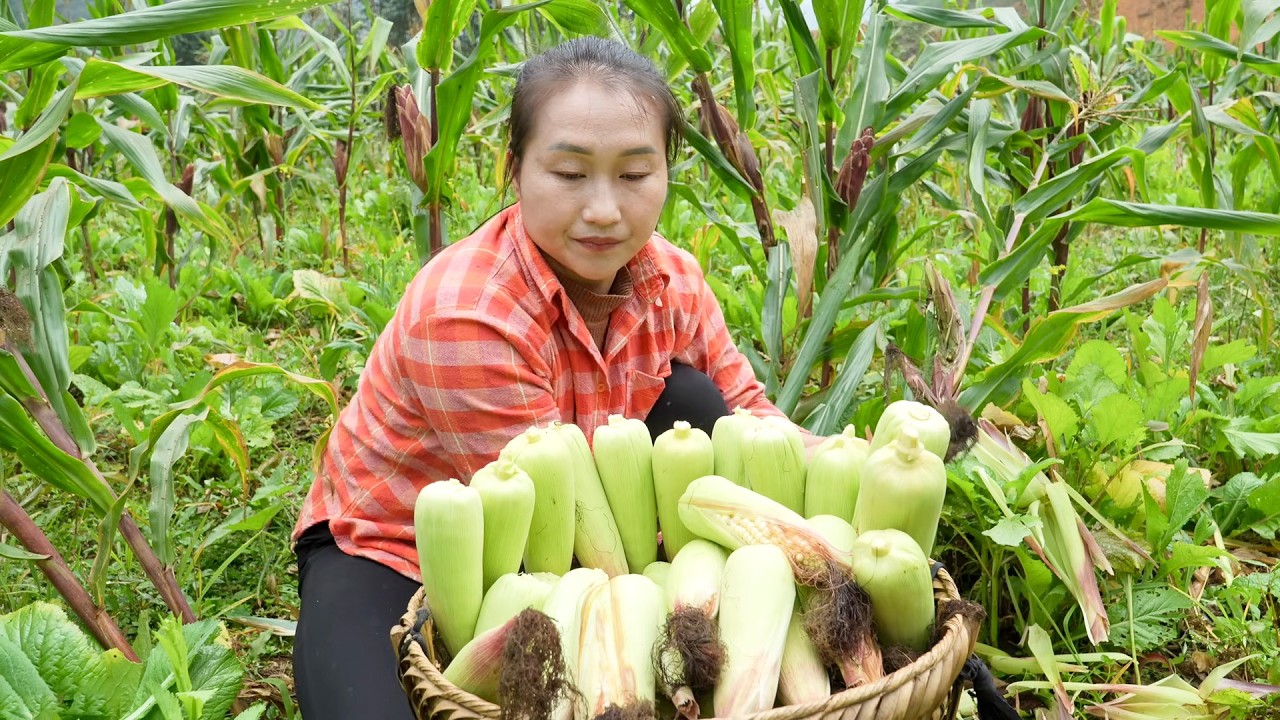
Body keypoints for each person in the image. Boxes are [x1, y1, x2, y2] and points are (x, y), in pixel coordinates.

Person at [290, 36, 819, 719]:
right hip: (400, 550)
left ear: (666, 171)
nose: (604, 209)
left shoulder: (673, 277)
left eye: (634, 175)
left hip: (597, 510)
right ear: (515, 169)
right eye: (570, 175)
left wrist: (835, 513)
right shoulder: (468, 314)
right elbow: (552, 533)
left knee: (695, 401)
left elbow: (752, 413)